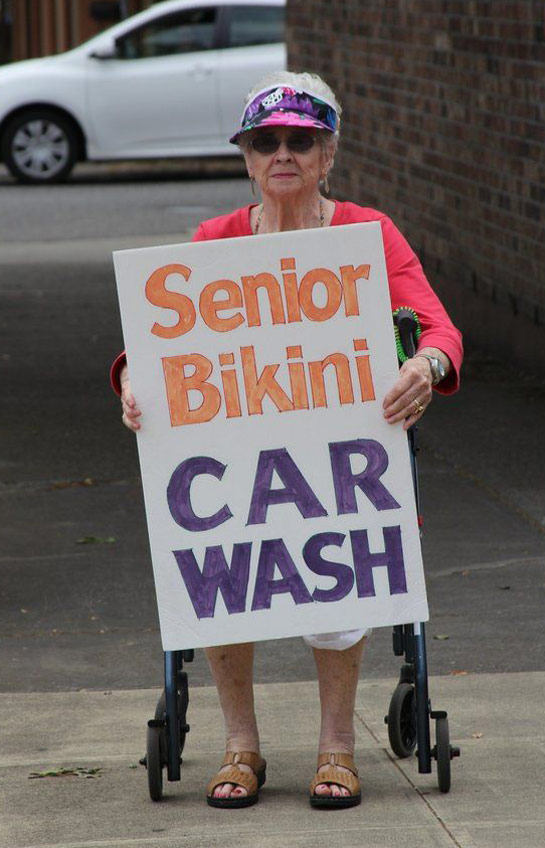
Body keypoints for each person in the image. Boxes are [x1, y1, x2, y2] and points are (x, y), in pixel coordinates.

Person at [111, 71, 463, 810]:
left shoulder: (367, 235)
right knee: (218, 571)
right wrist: (132, 387)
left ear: (328, 153)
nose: (282, 153)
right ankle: (241, 747)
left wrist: (426, 366)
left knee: (337, 577)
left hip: (333, 460)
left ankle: (337, 748)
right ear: (245, 157)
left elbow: (438, 328)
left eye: (300, 140)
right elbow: (160, 345)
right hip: (235, 461)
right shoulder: (216, 241)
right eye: (264, 140)